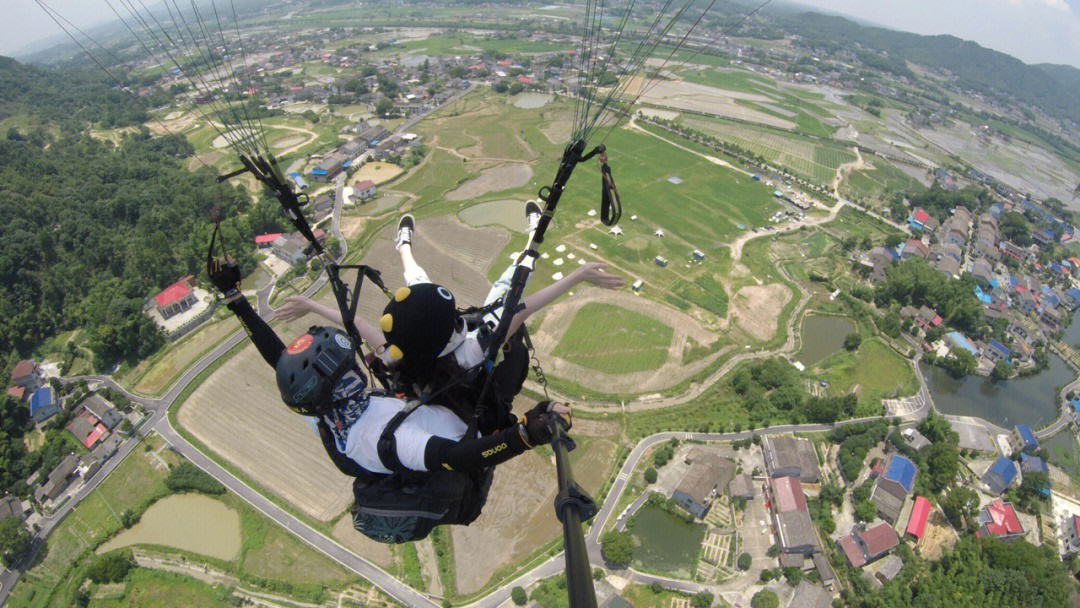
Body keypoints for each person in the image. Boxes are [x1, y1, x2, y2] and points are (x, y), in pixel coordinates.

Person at [207, 254, 570, 544]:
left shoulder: (327, 416)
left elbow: (281, 362)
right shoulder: (389, 439)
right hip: (471, 438)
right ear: (342, 382)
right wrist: (526, 434)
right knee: (505, 375)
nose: (360, 366)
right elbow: (459, 457)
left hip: (436, 417)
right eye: (352, 367)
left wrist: (237, 302)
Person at [277, 202, 624, 425]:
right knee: (509, 280)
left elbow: (356, 322)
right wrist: (577, 275)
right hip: (474, 378)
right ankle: (532, 237)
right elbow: (519, 305)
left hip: (436, 363)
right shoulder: (472, 352)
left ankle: (404, 246)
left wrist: (310, 305)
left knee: (417, 288)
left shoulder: (400, 355)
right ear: (454, 327)